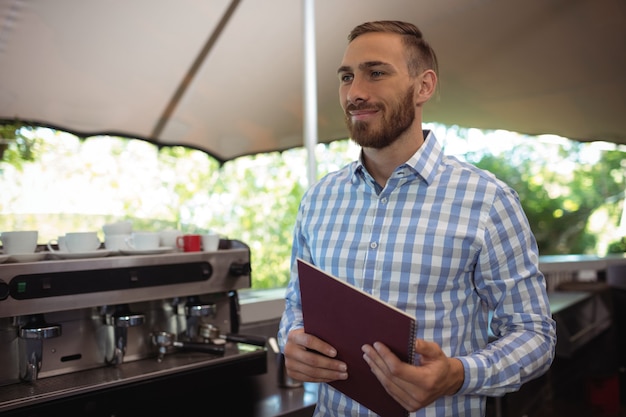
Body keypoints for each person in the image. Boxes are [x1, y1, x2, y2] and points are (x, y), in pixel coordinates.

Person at [277, 20, 556, 417]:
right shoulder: (318, 200)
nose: (355, 92)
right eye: (346, 77)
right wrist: (292, 340)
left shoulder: (487, 200)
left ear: (423, 86)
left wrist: (458, 374)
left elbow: (535, 336)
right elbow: (297, 305)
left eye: (376, 73)